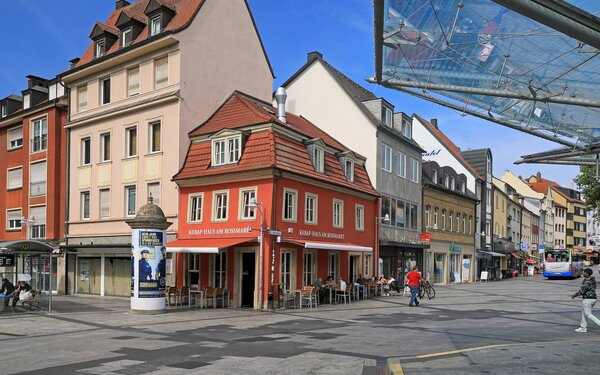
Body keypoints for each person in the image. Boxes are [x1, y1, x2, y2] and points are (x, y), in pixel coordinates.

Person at [572, 268, 600, 332]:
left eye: (584, 272)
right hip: (592, 298)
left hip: (588, 299)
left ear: (587, 273)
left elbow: (582, 291)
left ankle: (599, 323)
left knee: (588, 314)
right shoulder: (592, 279)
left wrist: (575, 295)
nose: (583, 273)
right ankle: (583, 328)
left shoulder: (588, 281)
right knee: (584, 313)